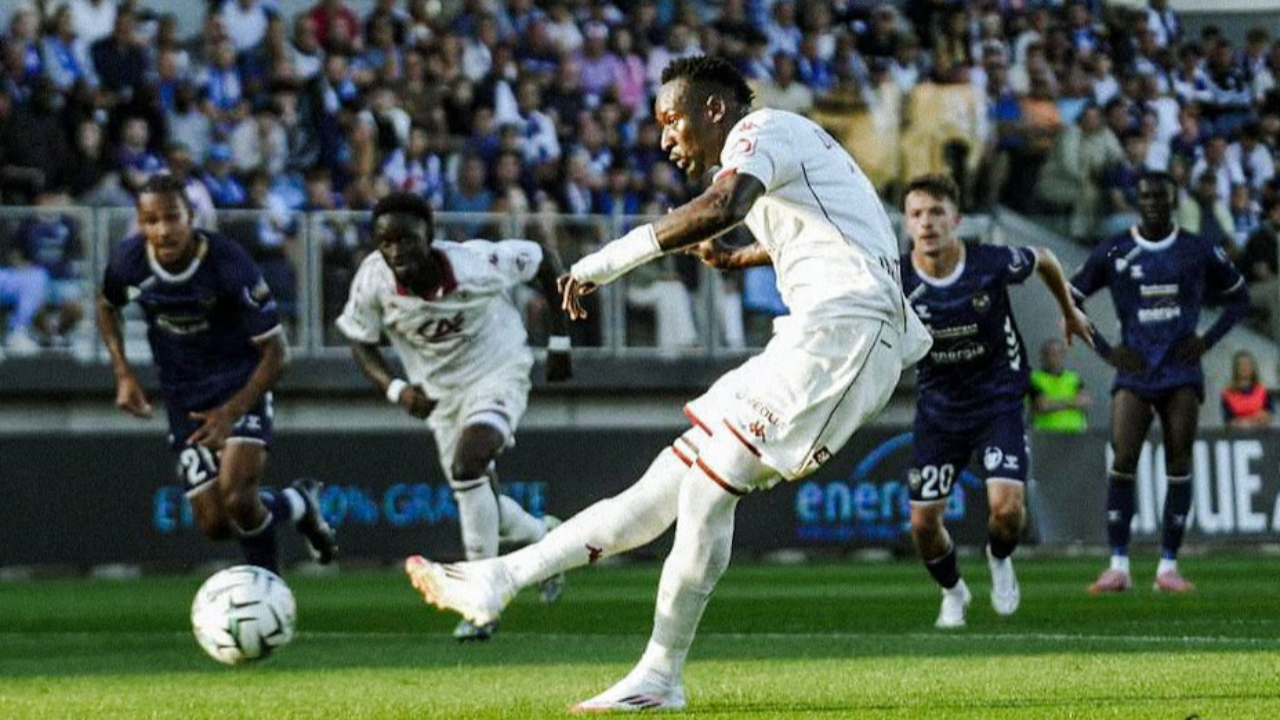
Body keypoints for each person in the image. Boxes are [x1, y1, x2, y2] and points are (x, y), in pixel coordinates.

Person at [403, 56, 932, 710]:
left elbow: (722, 205)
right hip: (814, 333)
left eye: (670, 121)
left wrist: (602, 263)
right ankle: (502, 577)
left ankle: (659, 675)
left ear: (712, 109)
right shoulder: (783, 147)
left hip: (846, 334)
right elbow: (822, 227)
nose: (663, 140)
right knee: (661, 488)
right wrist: (740, 256)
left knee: (708, 493)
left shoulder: (759, 131)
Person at [336, 192, 574, 641]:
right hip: (439, 396)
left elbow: (546, 261)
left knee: (469, 464)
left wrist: (558, 343)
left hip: (498, 371)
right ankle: (547, 541)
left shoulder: (476, 263)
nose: (397, 251)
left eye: (407, 239)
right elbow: (359, 338)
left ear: (430, 235)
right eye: (386, 242)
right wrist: (396, 388)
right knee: (480, 497)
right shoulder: (372, 281)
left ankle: (481, 600)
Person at [96, 175, 337, 575]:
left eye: (171, 218)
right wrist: (123, 372)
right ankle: (298, 503)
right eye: (150, 220)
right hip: (184, 397)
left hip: (240, 382)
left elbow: (277, 354)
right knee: (214, 523)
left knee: (240, 497)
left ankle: (266, 594)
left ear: (190, 217)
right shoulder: (129, 263)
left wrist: (231, 410)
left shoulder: (227, 262)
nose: (162, 230)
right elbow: (107, 307)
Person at [902, 174, 1093, 629]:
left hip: (997, 399)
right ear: (907, 224)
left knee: (1007, 512)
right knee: (924, 526)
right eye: (916, 214)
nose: (927, 223)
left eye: (936, 213)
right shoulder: (896, 276)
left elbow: (1045, 259)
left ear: (956, 220)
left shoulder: (989, 262)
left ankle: (999, 557)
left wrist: (1069, 311)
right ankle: (953, 592)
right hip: (938, 408)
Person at [1072, 171, 1248, 595]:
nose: (1152, 203)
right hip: (1133, 371)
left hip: (1181, 372)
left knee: (1178, 461)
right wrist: (1107, 350)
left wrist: (1206, 341)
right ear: (1136, 200)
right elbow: (1070, 297)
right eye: (1146, 196)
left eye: (1161, 197)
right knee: (1124, 456)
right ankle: (1118, 566)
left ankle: (1168, 566)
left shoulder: (1196, 248)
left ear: (1173, 200)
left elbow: (1239, 297)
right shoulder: (1115, 248)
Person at [1030, 338, 1091, 433]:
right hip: (1046, 434)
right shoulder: (1035, 378)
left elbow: (1084, 402)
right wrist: (1072, 402)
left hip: (1075, 433)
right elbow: (1043, 406)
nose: (1055, 358)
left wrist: (1054, 403)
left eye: (1058, 354)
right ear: (1043, 357)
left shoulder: (1073, 377)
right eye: (1051, 354)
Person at [1221, 350, 1273, 429]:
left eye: (1247, 364)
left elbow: (1269, 415)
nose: (1244, 367)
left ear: (1253, 368)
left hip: (1261, 434)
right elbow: (1228, 421)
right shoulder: (1227, 394)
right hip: (1237, 435)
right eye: (1241, 365)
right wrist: (1246, 422)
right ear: (1236, 368)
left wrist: (1252, 422)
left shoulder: (1264, 391)